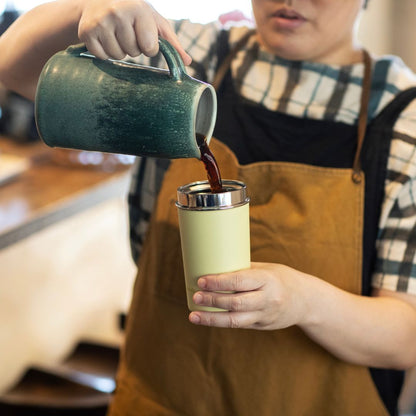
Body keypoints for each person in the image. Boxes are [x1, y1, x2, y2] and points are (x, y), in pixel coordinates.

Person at [0, 0, 416, 415]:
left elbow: (407, 337)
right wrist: (82, 11)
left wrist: (304, 302)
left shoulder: (401, 115)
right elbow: (14, 69)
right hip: (159, 396)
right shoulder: (186, 57)